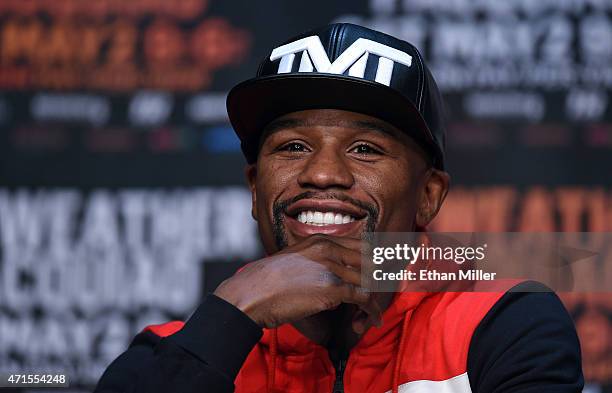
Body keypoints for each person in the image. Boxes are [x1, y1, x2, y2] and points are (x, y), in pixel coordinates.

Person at [95, 23, 583, 393]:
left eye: (366, 149)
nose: (323, 174)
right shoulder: (180, 349)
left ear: (428, 195)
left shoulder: (502, 322)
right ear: (253, 188)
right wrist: (234, 313)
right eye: (292, 147)